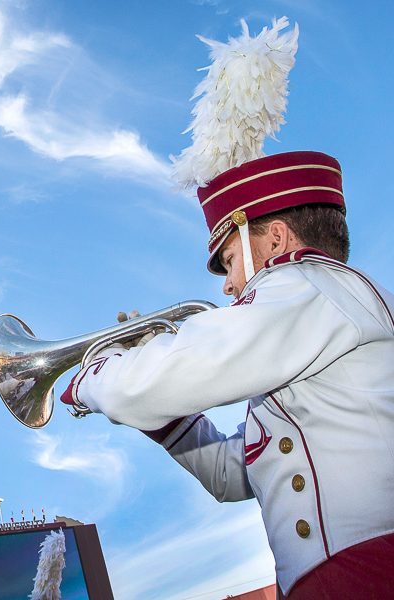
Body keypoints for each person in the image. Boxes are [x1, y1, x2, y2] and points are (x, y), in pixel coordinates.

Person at [60, 19, 394, 600]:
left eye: (229, 262)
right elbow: (232, 475)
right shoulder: (308, 328)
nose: (229, 286)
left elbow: (187, 365)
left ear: (274, 241)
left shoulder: (308, 285)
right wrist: (163, 417)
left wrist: (97, 376)